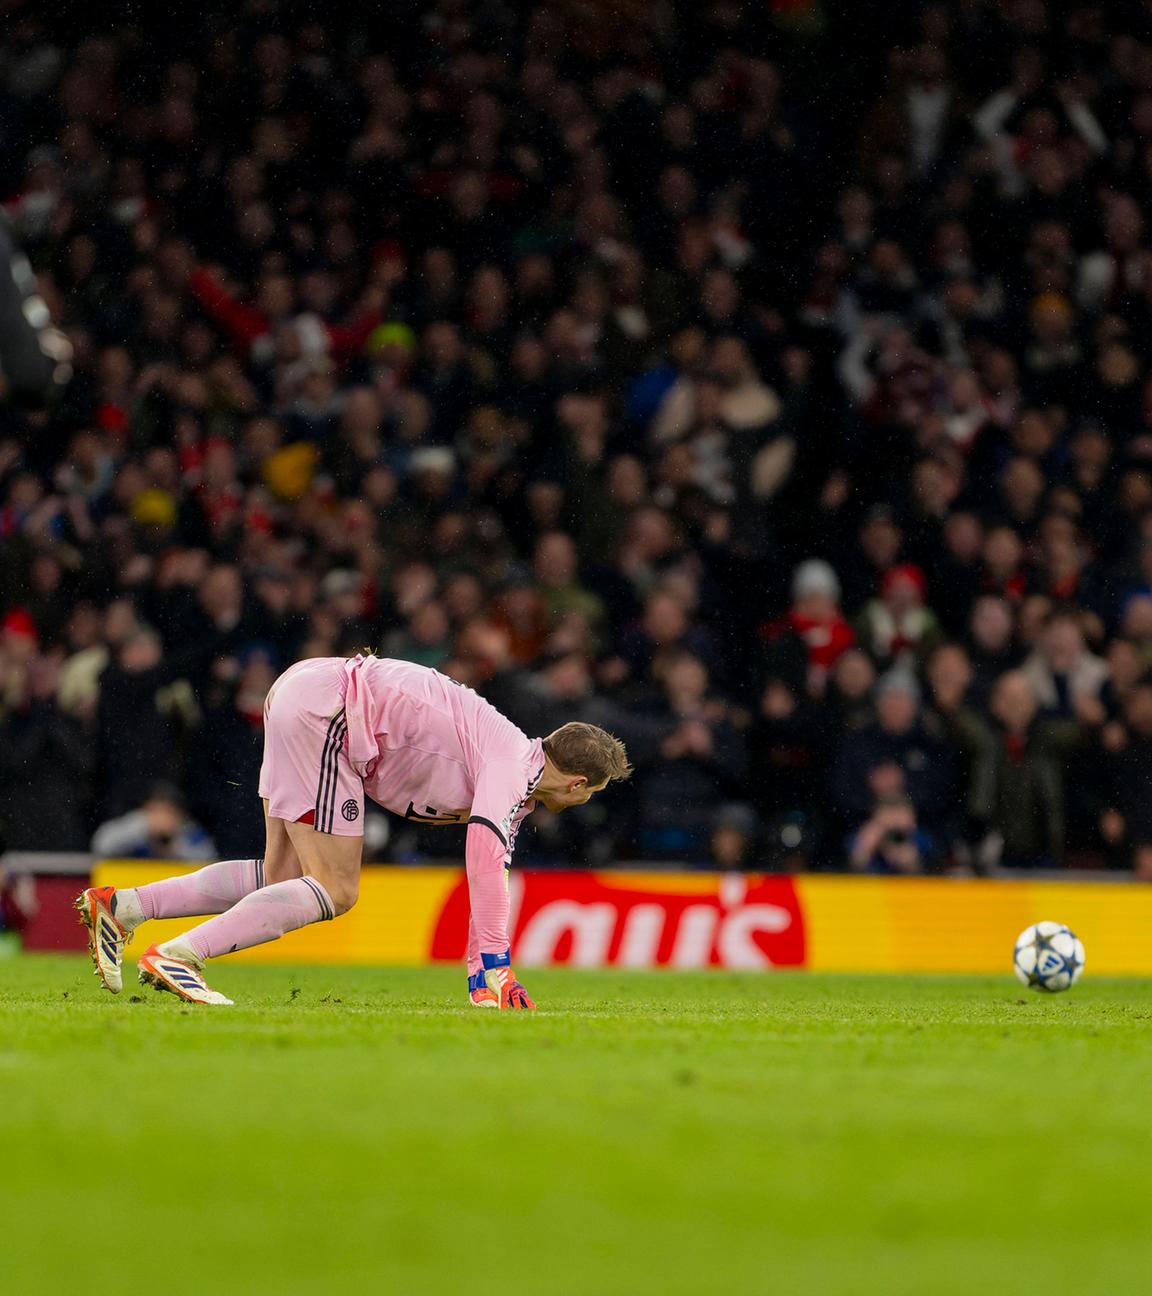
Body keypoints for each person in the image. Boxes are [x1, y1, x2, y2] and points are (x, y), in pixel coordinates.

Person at [76, 654, 630, 1009]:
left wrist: (478, 975)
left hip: (311, 692)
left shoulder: (513, 760)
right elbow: (485, 867)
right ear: (579, 783)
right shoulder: (512, 767)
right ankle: (180, 955)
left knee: (281, 875)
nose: (580, 804)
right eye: (590, 795)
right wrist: (497, 972)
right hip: (331, 713)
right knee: (337, 889)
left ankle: (124, 907)